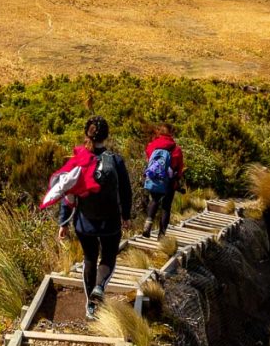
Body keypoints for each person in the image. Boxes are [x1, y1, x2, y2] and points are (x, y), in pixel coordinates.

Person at [58, 116, 132, 320]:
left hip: (84, 222)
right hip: (110, 222)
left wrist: (63, 222)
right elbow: (126, 191)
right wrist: (126, 216)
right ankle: (99, 287)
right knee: (108, 256)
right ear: (107, 136)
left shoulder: (79, 161)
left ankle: (90, 306)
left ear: (86, 135)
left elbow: (68, 193)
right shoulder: (115, 161)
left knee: (89, 258)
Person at [142, 123, 184, 239]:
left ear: (159, 132)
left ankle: (148, 224)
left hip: (155, 178)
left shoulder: (152, 145)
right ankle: (161, 235)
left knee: (154, 200)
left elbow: (149, 157)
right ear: (171, 133)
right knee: (166, 207)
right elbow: (180, 168)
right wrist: (177, 179)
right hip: (170, 181)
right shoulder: (176, 149)